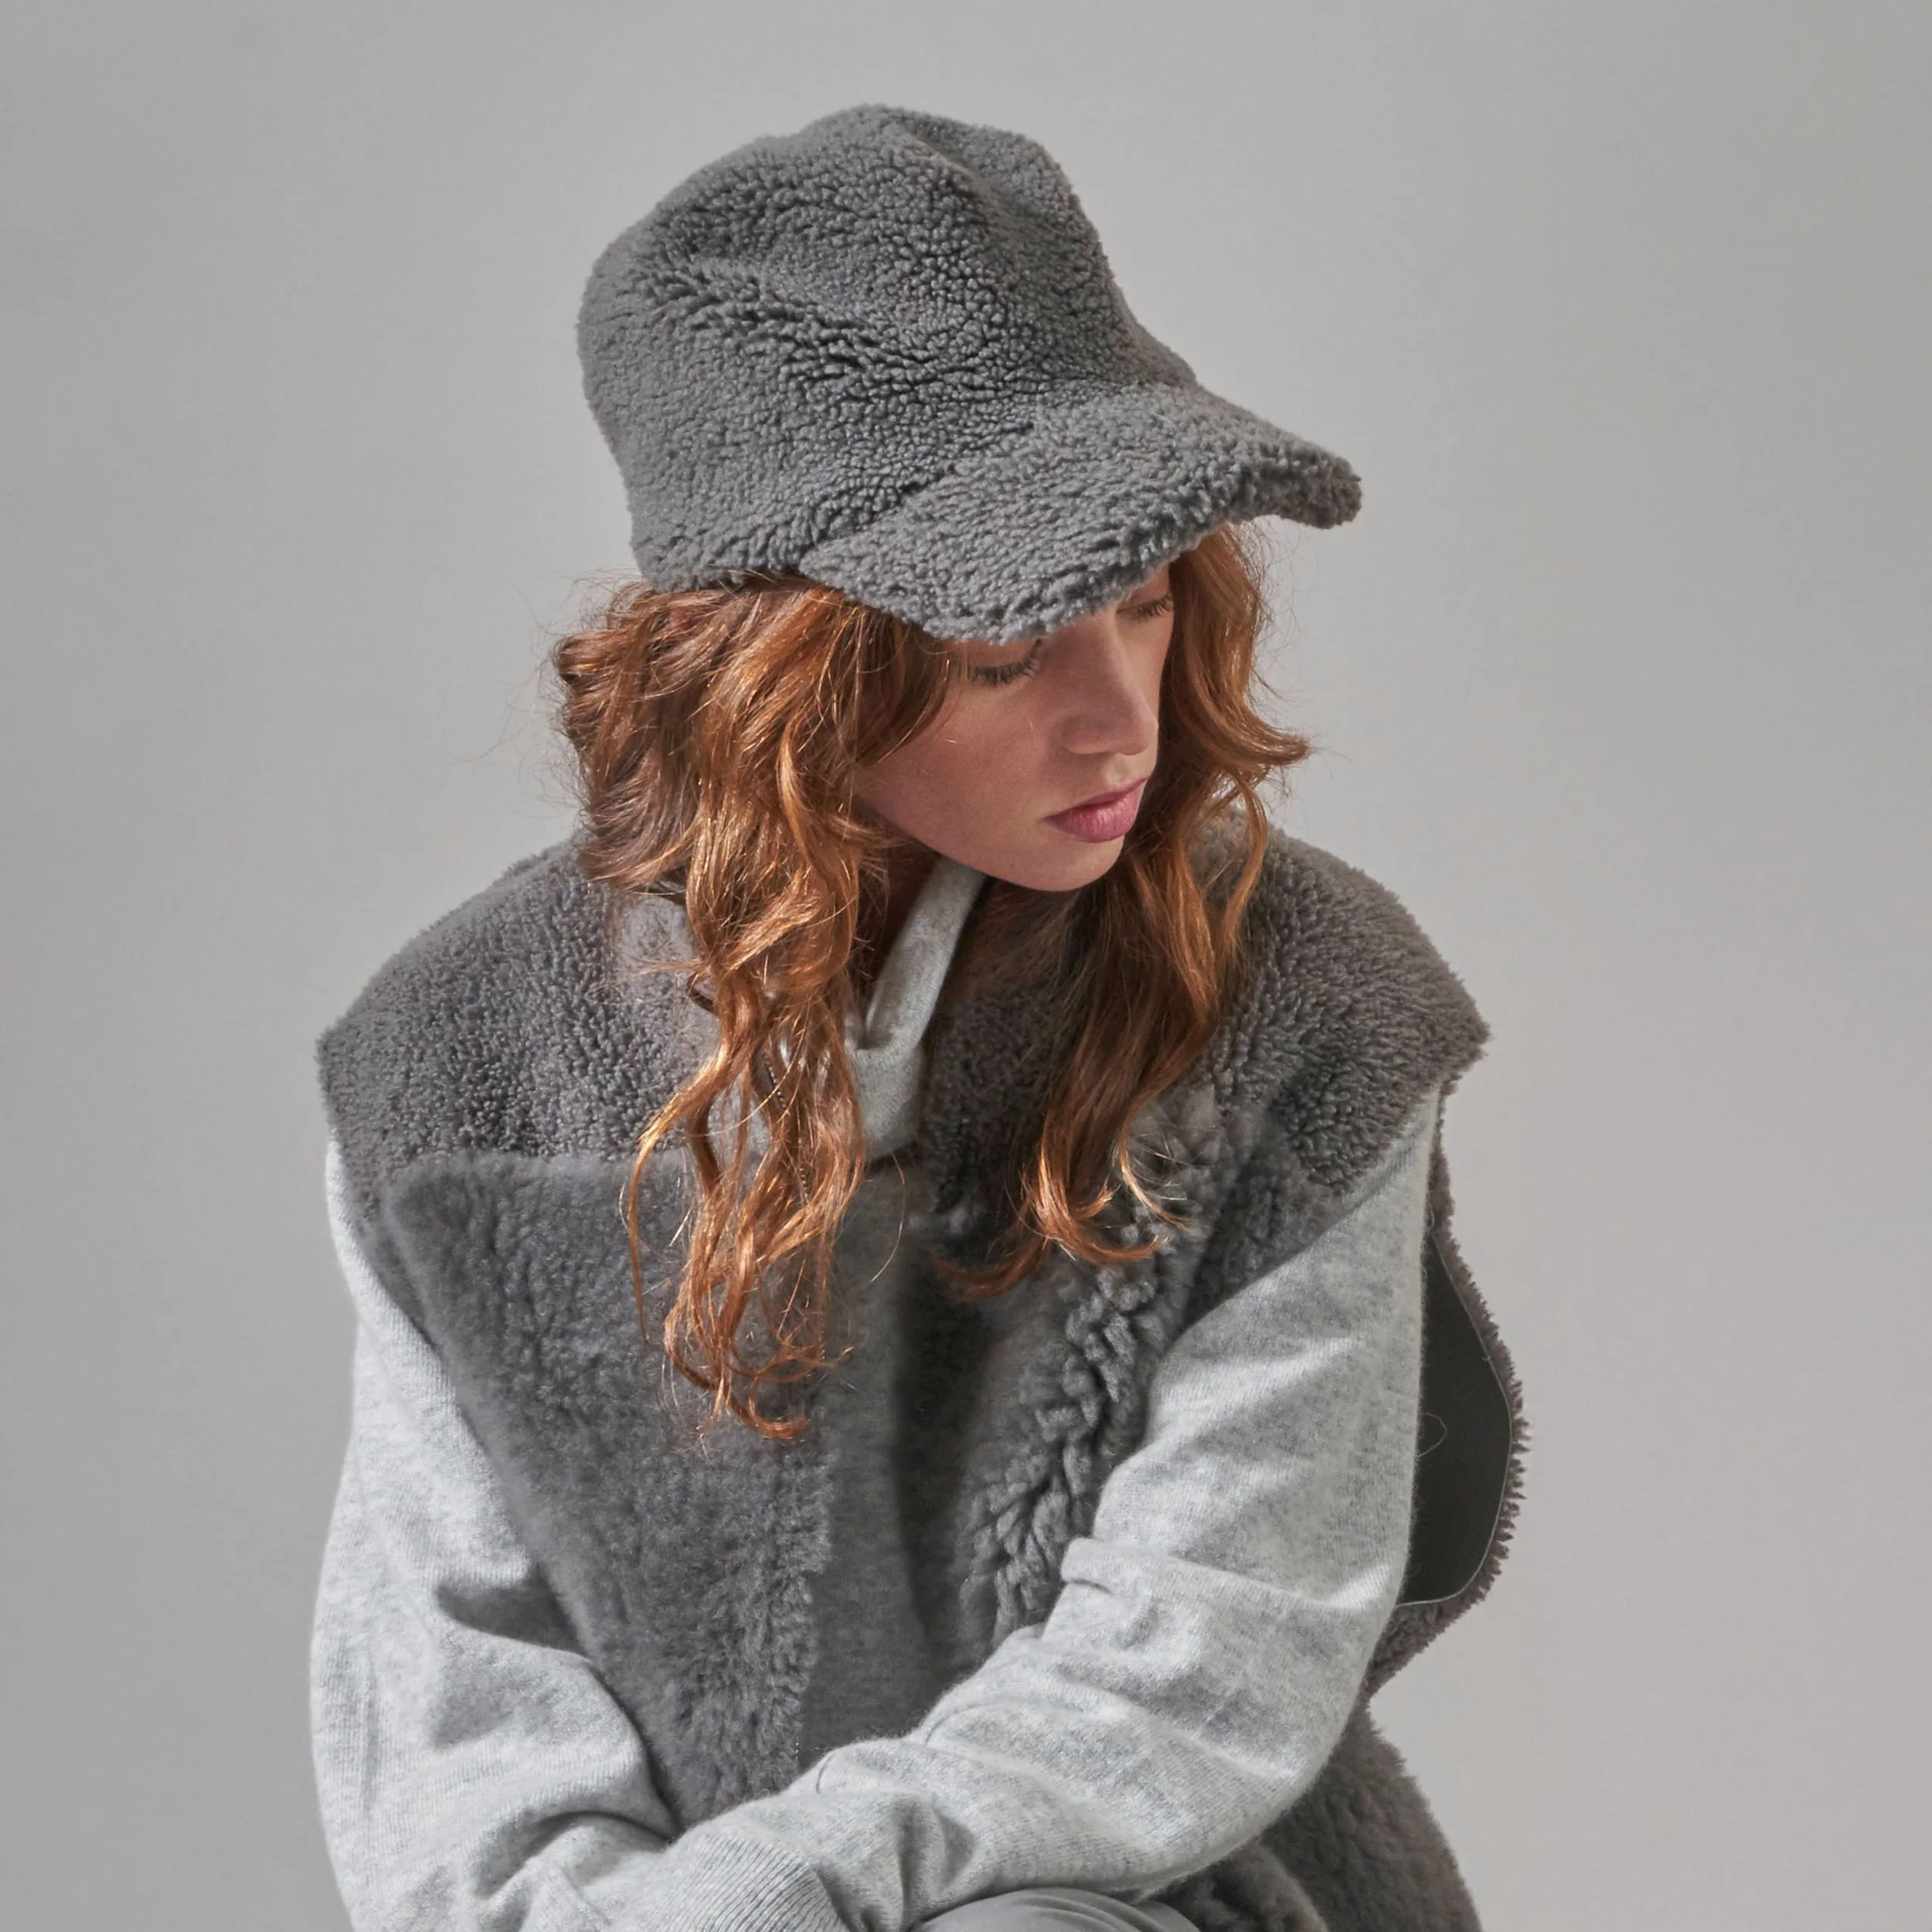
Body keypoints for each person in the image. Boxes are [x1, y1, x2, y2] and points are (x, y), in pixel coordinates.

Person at [311, 104, 1525, 1932]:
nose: (1119, 716)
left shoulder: (1301, 997)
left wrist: (779, 1891)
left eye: (1142, 597)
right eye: (1002, 650)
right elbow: (450, 1692)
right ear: (777, 679)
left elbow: (1211, 1643)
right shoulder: (453, 1065)